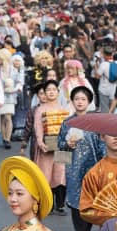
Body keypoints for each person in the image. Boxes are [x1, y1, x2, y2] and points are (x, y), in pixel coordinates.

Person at [58, 86, 105, 231]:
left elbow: (101, 144)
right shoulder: (67, 122)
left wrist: (104, 162)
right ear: (72, 101)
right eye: (77, 99)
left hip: (92, 166)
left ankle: (87, 230)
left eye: (83, 99)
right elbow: (59, 146)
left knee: (91, 199)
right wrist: (67, 145)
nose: (80, 102)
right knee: (75, 200)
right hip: (73, 168)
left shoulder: (96, 122)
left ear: (89, 102)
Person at [33, 79, 68, 214]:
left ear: (58, 92)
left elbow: (68, 128)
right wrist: (40, 142)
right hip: (47, 144)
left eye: (54, 90)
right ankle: (49, 203)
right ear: (45, 93)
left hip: (63, 144)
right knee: (46, 174)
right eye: (48, 90)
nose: (51, 92)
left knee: (62, 174)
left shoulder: (64, 109)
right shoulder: (40, 109)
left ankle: (60, 204)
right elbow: (38, 127)